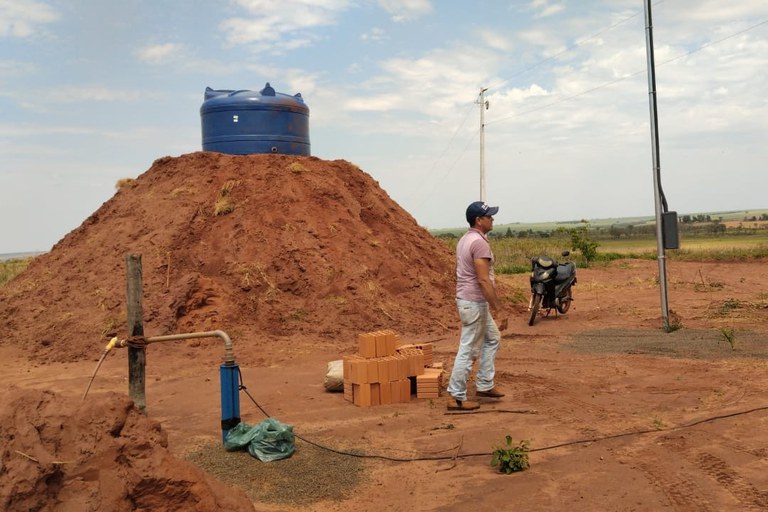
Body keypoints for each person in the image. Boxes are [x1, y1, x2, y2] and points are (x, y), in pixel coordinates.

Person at [446, 201, 508, 411]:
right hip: (474, 303)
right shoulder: (479, 243)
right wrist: (498, 309)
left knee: (492, 338)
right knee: (469, 349)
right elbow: (483, 280)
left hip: (469, 301)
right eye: (489, 216)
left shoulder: (465, 239)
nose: (492, 219)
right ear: (478, 220)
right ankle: (455, 396)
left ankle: (484, 384)